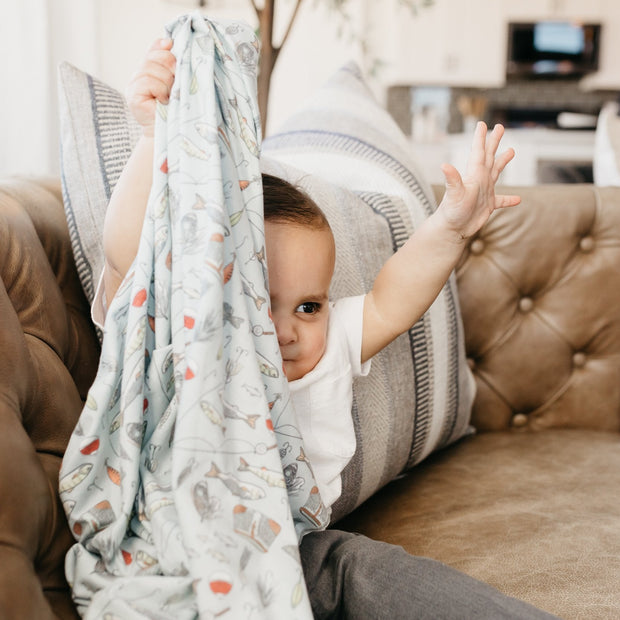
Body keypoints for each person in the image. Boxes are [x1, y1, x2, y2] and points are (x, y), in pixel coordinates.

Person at [94, 38, 559, 620]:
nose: (287, 331)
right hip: (177, 544)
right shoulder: (191, 339)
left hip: (293, 551)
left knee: (366, 570)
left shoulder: (330, 344)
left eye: (308, 307)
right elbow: (126, 255)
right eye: (261, 302)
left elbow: (392, 298)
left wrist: (451, 227)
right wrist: (150, 138)